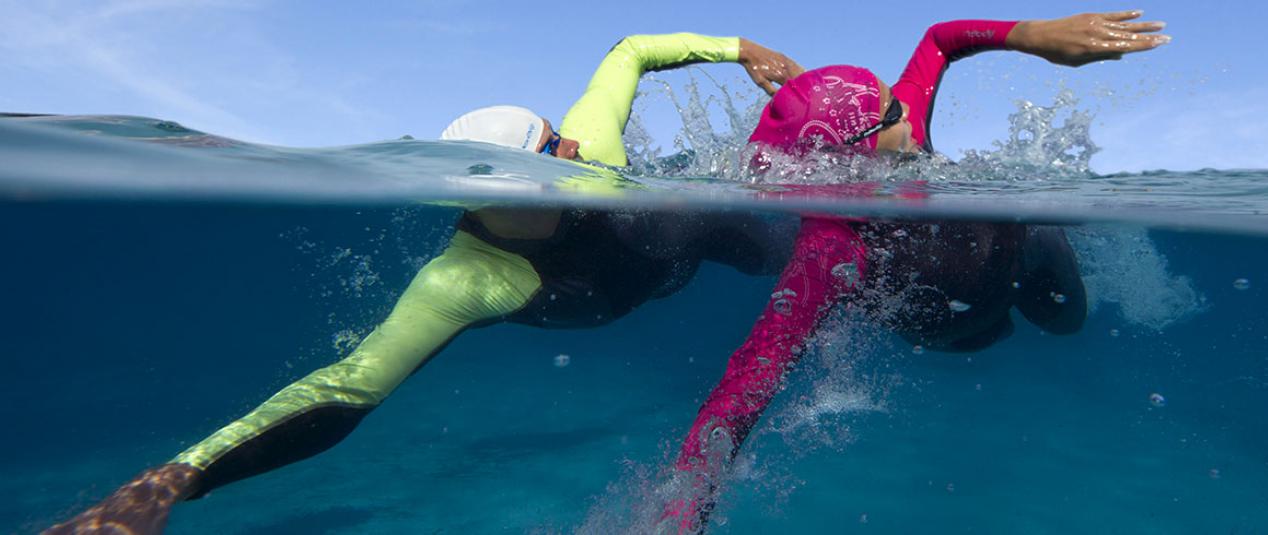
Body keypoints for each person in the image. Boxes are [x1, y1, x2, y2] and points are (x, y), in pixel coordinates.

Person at [44, 33, 804, 535]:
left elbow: (632, 51)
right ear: (498, 191)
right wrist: (172, 480)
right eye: (556, 152)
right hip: (608, 289)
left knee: (753, 231)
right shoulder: (466, 276)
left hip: (694, 241)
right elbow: (345, 388)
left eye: (565, 141)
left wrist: (740, 49)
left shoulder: (592, 150)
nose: (576, 151)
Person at [664, 11, 1169, 531]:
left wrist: (1031, 37)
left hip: (1023, 250)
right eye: (891, 112)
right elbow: (747, 385)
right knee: (979, 336)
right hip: (955, 324)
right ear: (855, 154)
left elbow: (939, 40)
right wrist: (685, 512)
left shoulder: (901, 126)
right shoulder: (828, 249)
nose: (908, 110)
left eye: (896, 99)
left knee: (1066, 322)